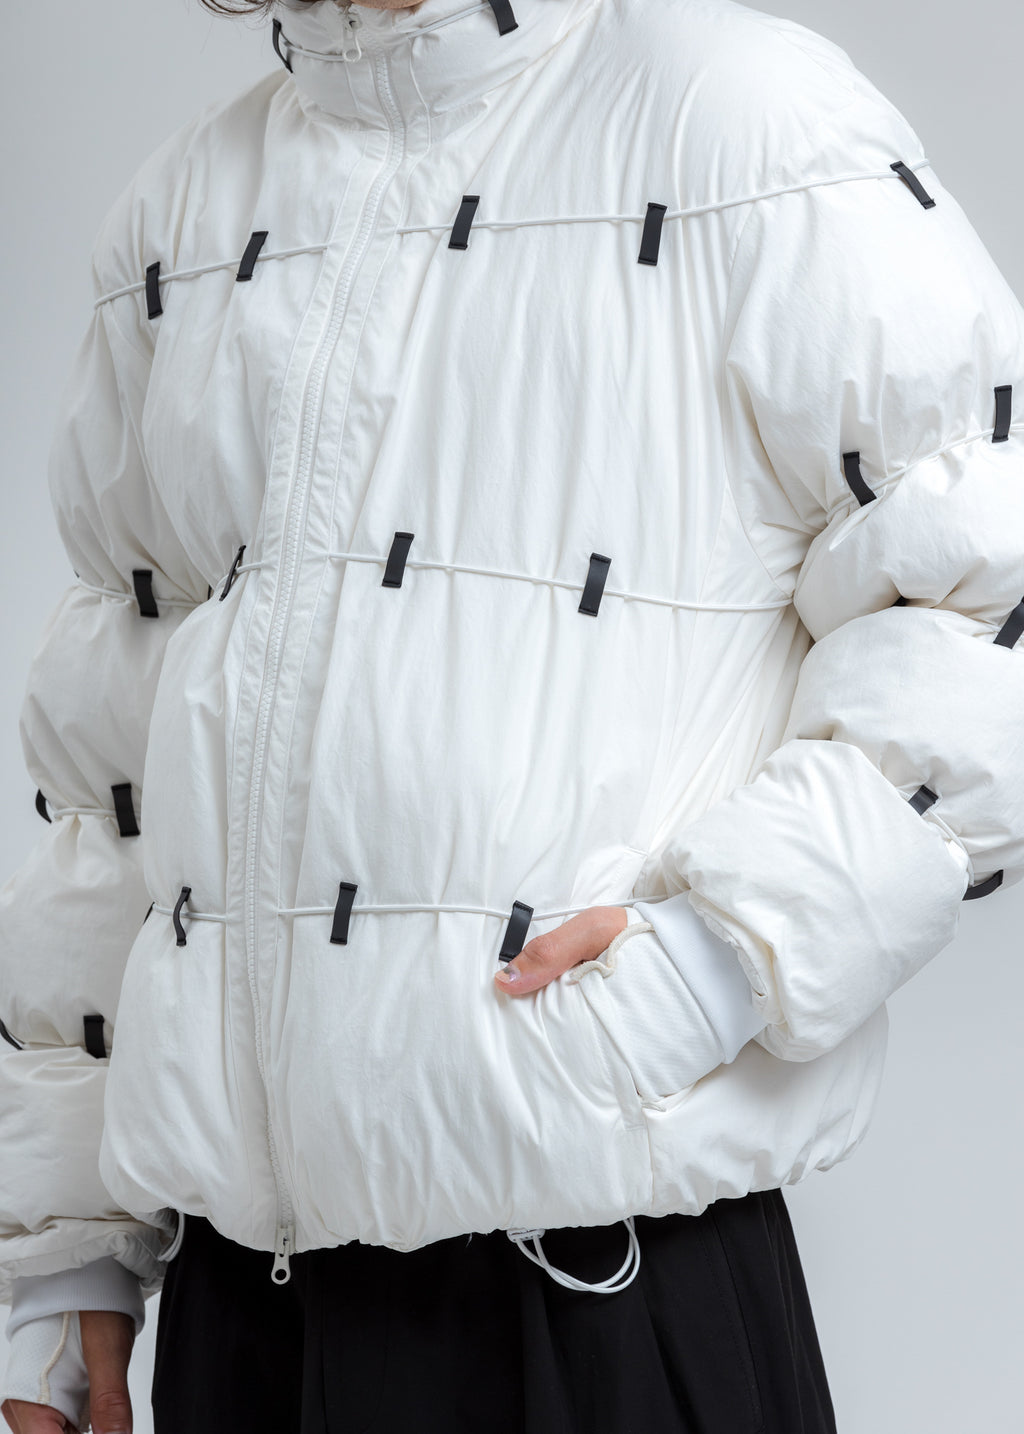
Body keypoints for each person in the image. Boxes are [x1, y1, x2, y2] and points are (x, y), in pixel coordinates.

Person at [3, 0, 1023, 1428]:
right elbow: (114, 764)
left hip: (597, 1289)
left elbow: (983, 596)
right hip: (248, 1318)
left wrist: (715, 964)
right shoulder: (186, 207)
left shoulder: (741, 119)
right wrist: (64, 1251)